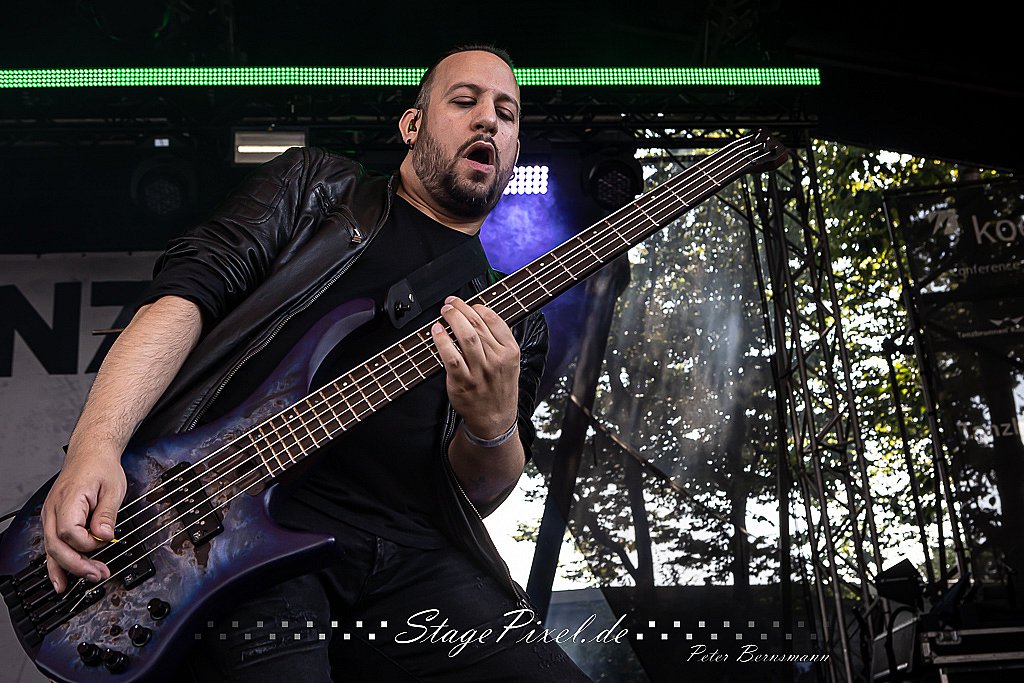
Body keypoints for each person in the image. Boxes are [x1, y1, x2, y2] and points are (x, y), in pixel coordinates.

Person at [39, 45, 591, 681]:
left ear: (514, 149)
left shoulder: (515, 323)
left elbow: (479, 495)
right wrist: (96, 445)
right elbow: (185, 297)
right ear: (412, 126)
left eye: (506, 113)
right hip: (247, 533)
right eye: (464, 101)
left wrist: (491, 424)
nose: (488, 119)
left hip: (414, 560)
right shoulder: (316, 191)